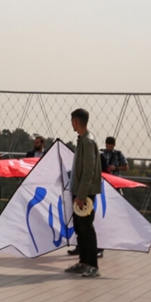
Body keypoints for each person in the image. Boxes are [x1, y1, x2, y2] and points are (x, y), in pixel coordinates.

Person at [65, 108, 102, 278]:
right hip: (79, 192)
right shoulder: (82, 140)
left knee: (87, 228)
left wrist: (81, 195)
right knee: (80, 228)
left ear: (76, 121)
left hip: (85, 194)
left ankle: (93, 265)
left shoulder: (87, 142)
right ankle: (83, 262)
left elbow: (88, 171)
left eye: (72, 120)